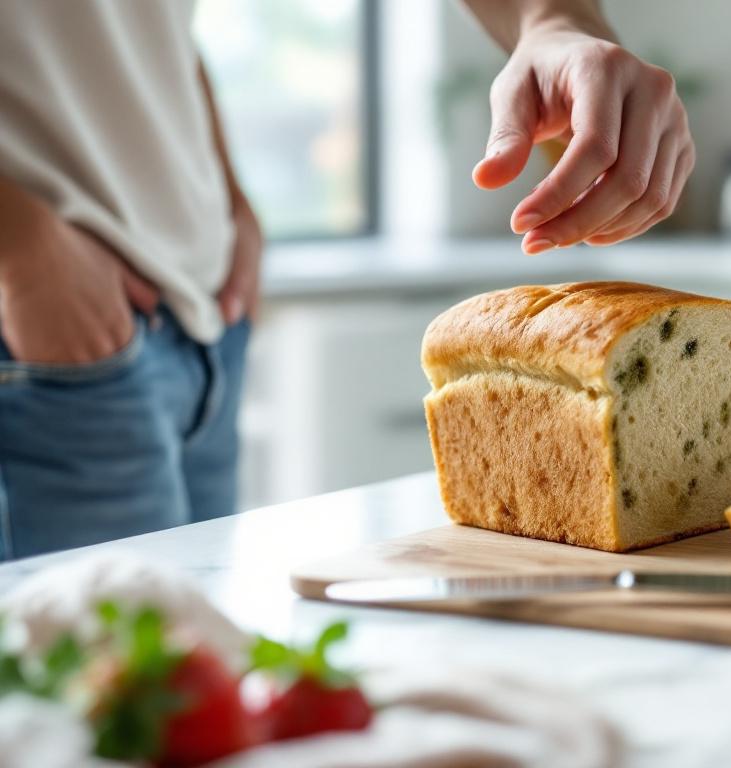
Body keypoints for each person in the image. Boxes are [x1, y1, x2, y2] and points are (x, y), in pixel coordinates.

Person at [0, 0, 694, 559]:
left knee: (175, 694)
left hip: (200, 315)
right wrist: (24, 248)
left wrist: (555, 22)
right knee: (81, 708)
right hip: (39, 334)